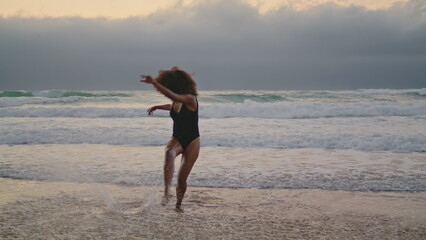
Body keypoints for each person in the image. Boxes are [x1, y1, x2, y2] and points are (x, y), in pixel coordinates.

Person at [140, 67, 200, 213]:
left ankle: (178, 206)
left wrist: (154, 83)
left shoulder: (190, 98)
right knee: (169, 153)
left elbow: (173, 96)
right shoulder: (177, 100)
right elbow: (173, 105)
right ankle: (167, 192)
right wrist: (158, 106)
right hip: (177, 138)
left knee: (182, 178)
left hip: (193, 141)